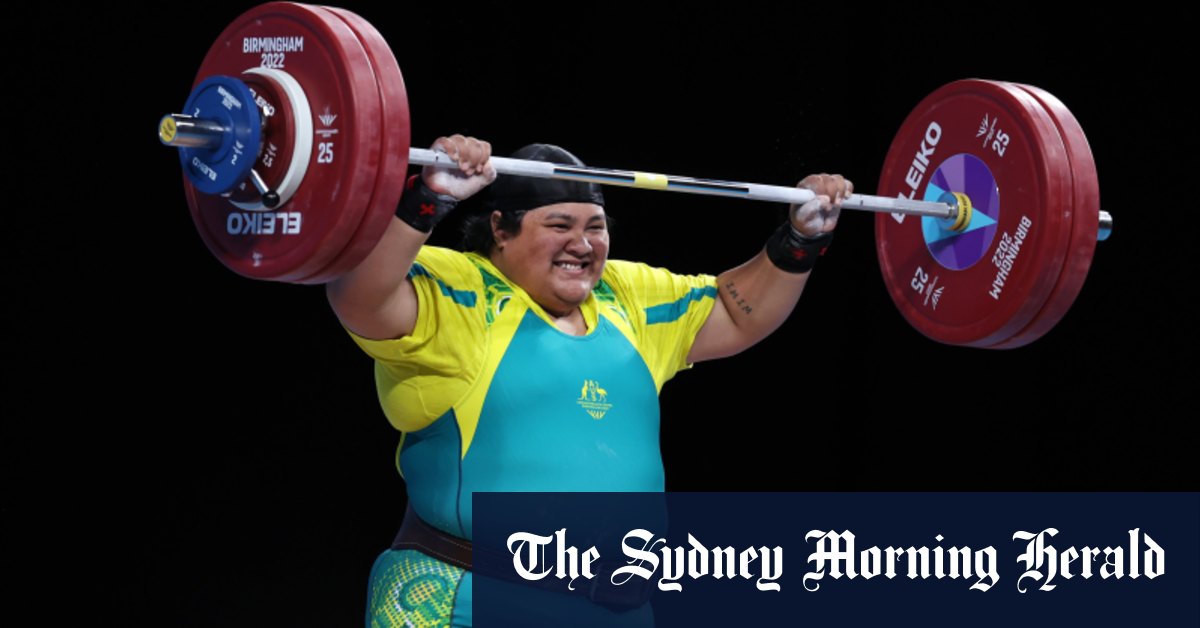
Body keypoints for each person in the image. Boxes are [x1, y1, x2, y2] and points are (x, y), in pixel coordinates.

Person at [326, 135, 851, 627]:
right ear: (500, 230)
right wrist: (427, 197)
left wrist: (801, 238)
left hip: (615, 609)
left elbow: (738, 315)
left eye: (595, 226)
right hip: (468, 597)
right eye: (559, 225)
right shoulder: (464, 294)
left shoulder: (628, 298)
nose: (582, 244)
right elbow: (360, 298)